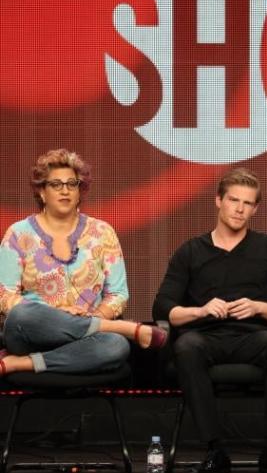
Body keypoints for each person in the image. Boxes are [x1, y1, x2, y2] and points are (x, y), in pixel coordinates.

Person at [153, 168, 267, 473]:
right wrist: (202, 310)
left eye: (247, 203)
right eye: (233, 200)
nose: (239, 209)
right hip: (205, 336)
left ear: (255, 209)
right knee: (186, 347)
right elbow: (163, 307)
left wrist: (258, 306)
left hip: (253, 336)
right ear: (218, 201)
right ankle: (214, 449)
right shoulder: (191, 251)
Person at [0, 149, 166, 376]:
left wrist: (94, 318)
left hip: (84, 343)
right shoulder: (18, 234)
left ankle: (19, 363)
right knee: (20, 315)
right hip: (33, 333)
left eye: (72, 184)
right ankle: (118, 328)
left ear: (80, 191)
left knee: (116, 346)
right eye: (56, 184)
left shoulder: (102, 232)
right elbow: (5, 295)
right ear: (41, 191)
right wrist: (55, 315)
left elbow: (118, 294)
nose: (65, 190)